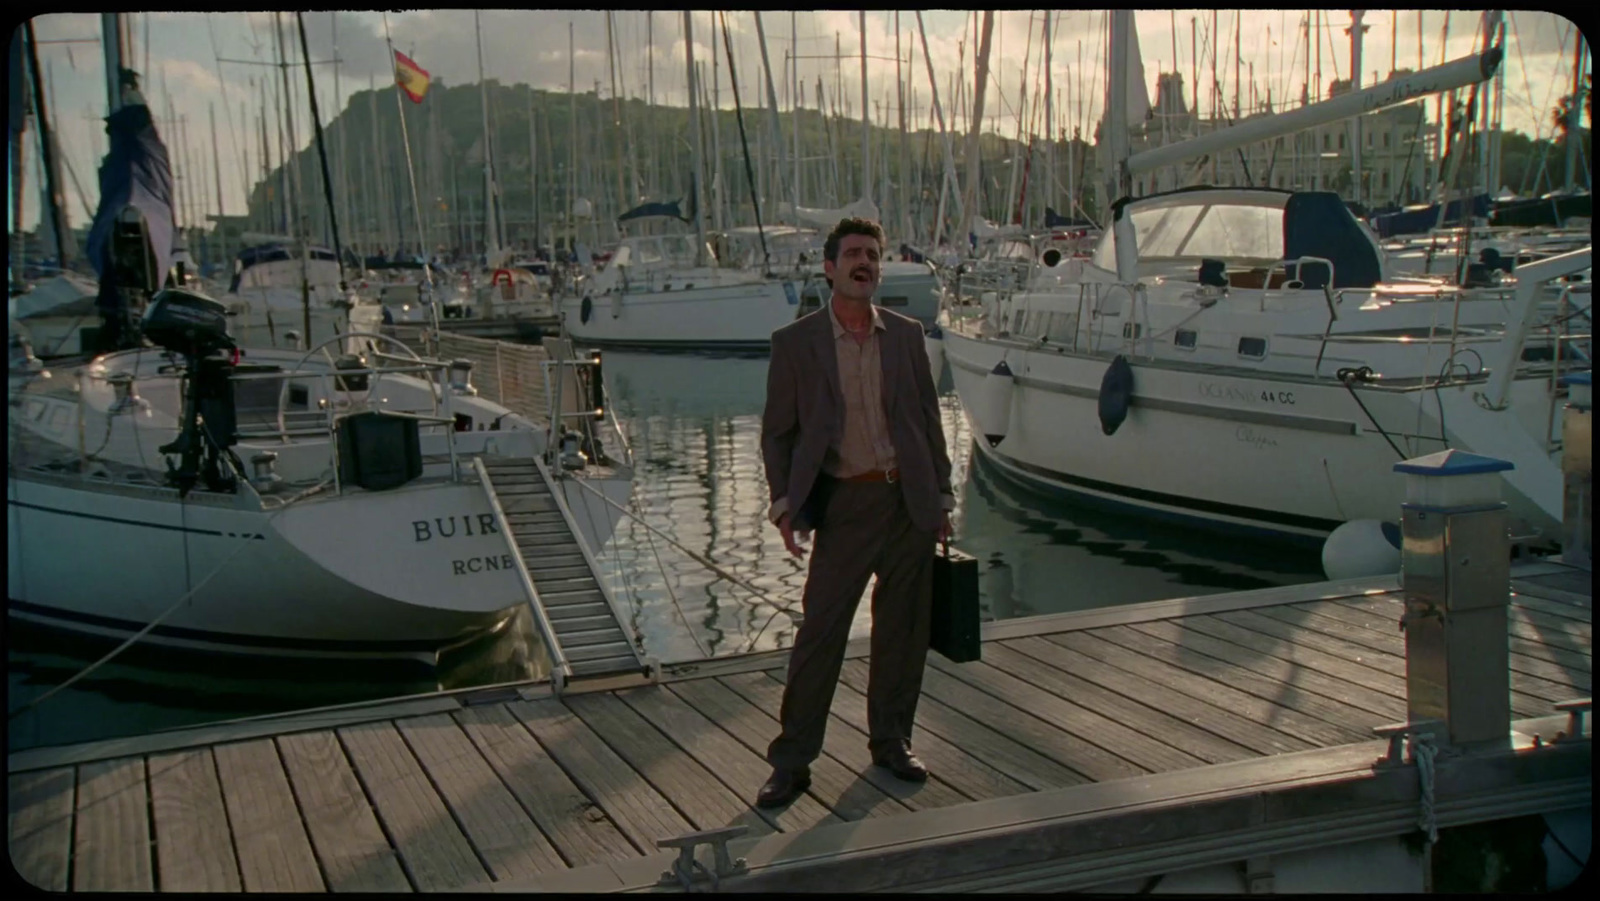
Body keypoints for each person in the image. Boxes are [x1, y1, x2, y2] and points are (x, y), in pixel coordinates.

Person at [756, 217, 954, 808]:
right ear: (829, 267)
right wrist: (784, 502)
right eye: (853, 255)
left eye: (873, 254)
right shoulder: (796, 343)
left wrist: (941, 497)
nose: (864, 263)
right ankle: (792, 762)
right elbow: (779, 435)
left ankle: (891, 740)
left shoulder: (907, 335)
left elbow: (927, 420)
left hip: (908, 502)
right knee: (821, 633)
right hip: (844, 502)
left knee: (903, 631)